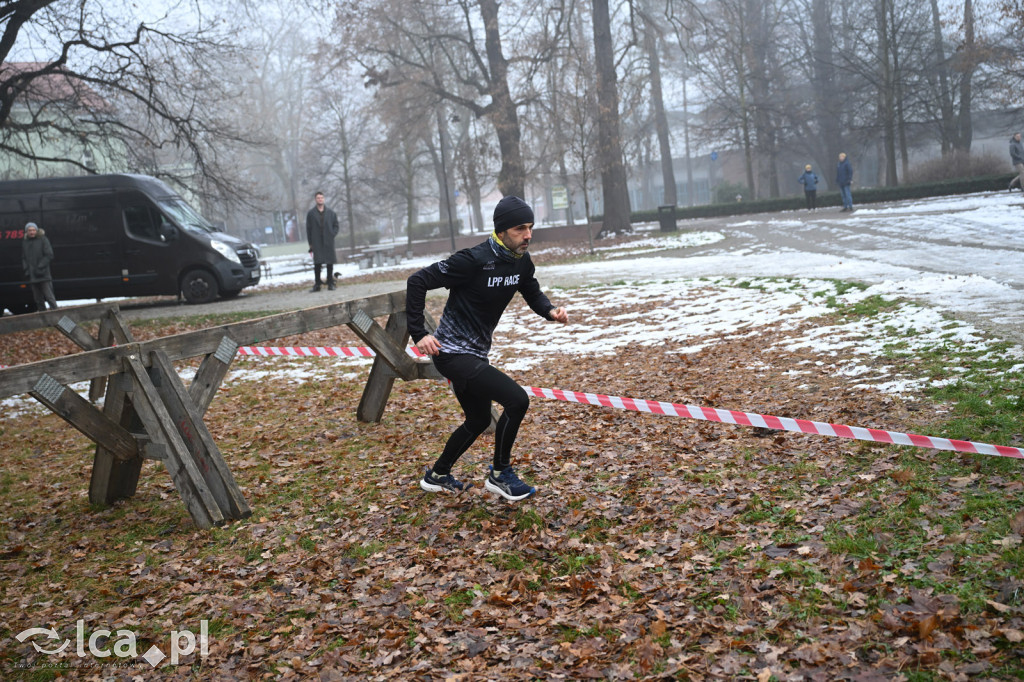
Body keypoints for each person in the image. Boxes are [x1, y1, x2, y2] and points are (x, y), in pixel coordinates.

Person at [406, 196, 568, 501]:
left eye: (531, 227)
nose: (528, 235)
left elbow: (530, 289)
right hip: (452, 353)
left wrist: (550, 311)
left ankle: (438, 475)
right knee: (517, 400)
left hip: (475, 353)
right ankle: (499, 474)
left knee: (479, 420)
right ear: (502, 230)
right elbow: (417, 282)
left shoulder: (521, 260)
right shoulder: (472, 260)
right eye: (521, 228)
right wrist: (419, 333)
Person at [305, 191, 340, 291]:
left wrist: (332, 234)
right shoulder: (311, 214)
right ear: (315, 200)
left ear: (324, 199)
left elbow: (336, 226)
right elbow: (308, 229)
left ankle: (330, 283)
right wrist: (310, 243)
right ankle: (317, 285)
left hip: (328, 241)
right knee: (317, 264)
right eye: (318, 198)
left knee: (330, 263)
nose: (320, 199)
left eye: (321, 198)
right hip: (317, 242)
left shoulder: (331, 213)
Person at [21, 222, 58, 311]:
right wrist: (27, 270)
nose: (32, 232)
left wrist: (40, 267)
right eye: (30, 230)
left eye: (33, 230)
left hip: (44, 275)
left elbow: (49, 255)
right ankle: (45, 321)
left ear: (36, 230)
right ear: (27, 232)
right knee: (38, 300)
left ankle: (60, 319)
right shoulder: (25, 242)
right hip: (33, 276)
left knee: (50, 298)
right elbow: (24, 258)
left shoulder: (43, 240)